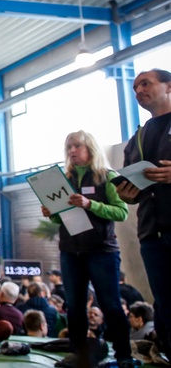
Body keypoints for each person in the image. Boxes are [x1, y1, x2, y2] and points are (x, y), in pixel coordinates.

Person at [41, 130, 137, 368]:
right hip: (70, 251)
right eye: (69, 147)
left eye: (77, 146)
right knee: (74, 306)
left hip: (101, 251)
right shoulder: (64, 180)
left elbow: (121, 212)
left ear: (90, 148)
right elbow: (60, 219)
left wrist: (89, 204)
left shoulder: (107, 177)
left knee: (110, 304)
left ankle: (123, 354)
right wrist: (52, 214)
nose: (72, 151)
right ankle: (78, 354)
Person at [117, 68, 171, 359]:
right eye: (135, 87)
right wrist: (129, 195)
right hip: (151, 232)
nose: (138, 90)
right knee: (164, 300)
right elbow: (133, 189)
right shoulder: (135, 139)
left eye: (146, 83)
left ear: (168, 87)